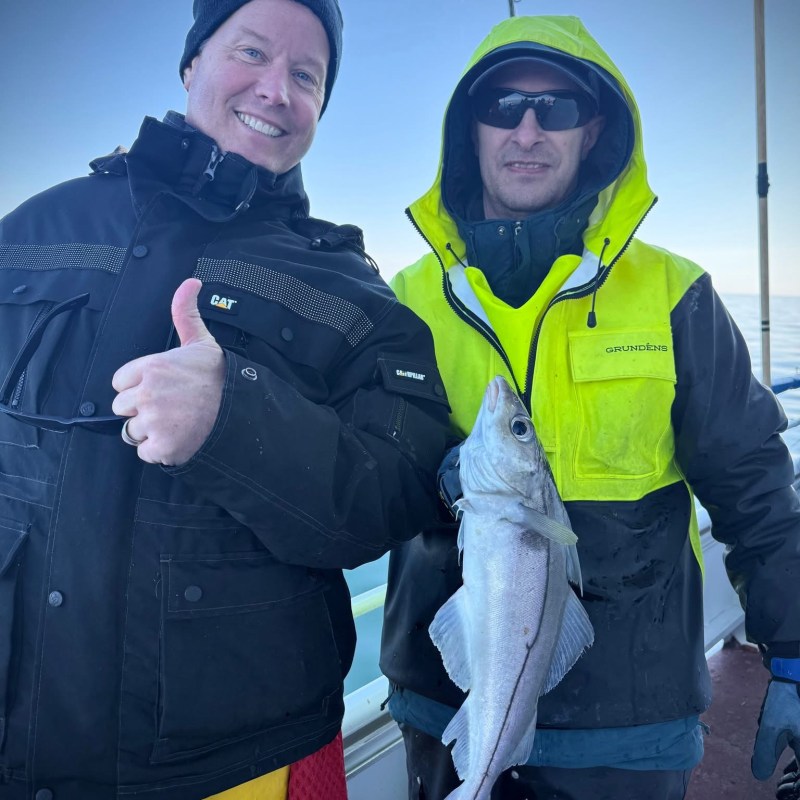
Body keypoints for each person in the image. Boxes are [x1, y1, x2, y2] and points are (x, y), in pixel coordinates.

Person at [0, 0, 450, 798]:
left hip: (240, 765)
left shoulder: (351, 292)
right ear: (190, 64)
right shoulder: (36, 226)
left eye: (306, 75)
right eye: (251, 52)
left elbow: (404, 485)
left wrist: (235, 422)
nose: (276, 88)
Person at [379, 14, 800, 800]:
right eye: (502, 106)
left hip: (630, 724)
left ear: (594, 130)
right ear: (466, 130)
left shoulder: (677, 294)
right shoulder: (401, 300)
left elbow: (752, 479)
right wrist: (435, 479)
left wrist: (797, 645)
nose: (527, 129)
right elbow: (361, 475)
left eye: (557, 109)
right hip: (447, 703)